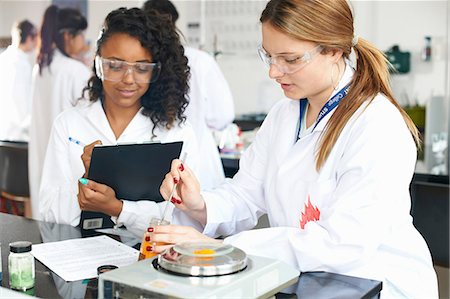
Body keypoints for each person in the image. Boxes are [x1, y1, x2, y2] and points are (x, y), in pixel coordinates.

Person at [155, 0, 438, 298]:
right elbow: (246, 193)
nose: (274, 72)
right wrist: (199, 204)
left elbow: (342, 244)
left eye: (290, 59)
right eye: (269, 56)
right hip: (309, 280)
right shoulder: (284, 114)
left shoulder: (376, 124)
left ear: (333, 50)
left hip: (374, 283)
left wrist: (227, 249)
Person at [39, 7, 201, 238]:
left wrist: (118, 208)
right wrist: (86, 181)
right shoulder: (69, 124)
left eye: (142, 68)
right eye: (115, 65)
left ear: (157, 72)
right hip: (79, 256)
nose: (128, 79)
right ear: (98, 64)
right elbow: (48, 214)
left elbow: (182, 219)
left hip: (149, 260)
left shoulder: (176, 131)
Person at [143, 0, 235, 189]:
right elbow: (223, 116)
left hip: (152, 164)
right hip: (199, 166)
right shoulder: (201, 61)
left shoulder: (141, 61)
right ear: (175, 22)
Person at [29, 5, 90, 220]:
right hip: (68, 162)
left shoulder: (41, 67)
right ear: (68, 36)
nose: (84, 41)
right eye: (81, 35)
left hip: (41, 155)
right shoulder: (75, 71)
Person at [0, 20, 37, 141]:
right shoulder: (20, 64)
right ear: (29, 38)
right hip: (17, 135)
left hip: (5, 133)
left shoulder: (4, 58)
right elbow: (21, 103)